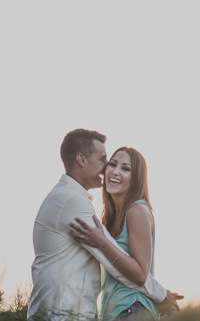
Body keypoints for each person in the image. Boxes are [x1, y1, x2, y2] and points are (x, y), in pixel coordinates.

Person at [28, 129, 182, 321]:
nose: (107, 168)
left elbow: (130, 268)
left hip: (124, 309)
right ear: (81, 160)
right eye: (104, 160)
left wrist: (158, 293)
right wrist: (160, 294)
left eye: (125, 168)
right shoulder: (74, 202)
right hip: (63, 314)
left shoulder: (69, 199)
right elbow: (113, 263)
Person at [69, 146, 166, 321]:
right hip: (114, 311)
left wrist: (102, 243)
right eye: (112, 165)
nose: (115, 172)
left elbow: (141, 274)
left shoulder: (137, 210)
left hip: (132, 308)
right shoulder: (110, 217)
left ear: (136, 180)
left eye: (125, 168)